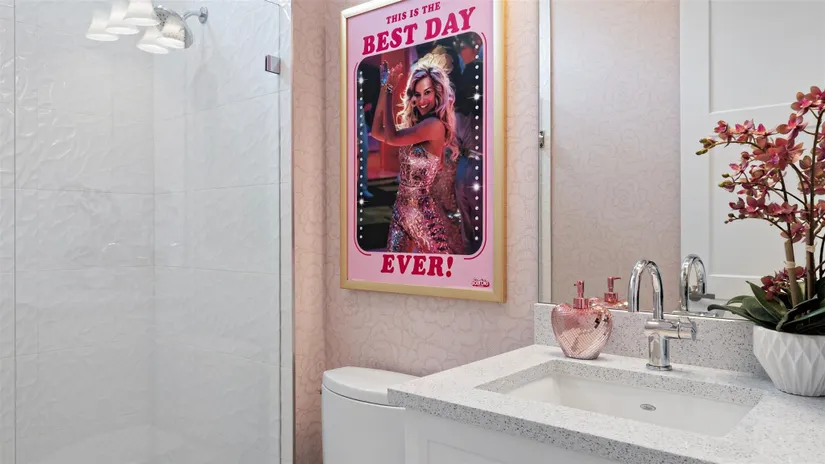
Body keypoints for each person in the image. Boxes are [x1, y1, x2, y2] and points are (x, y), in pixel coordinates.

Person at [370, 53, 463, 254]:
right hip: (400, 212)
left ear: (438, 94)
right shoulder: (417, 127)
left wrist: (390, 90)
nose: (421, 101)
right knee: (395, 268)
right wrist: (383, 89)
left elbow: (392, 137)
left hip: (423, 216)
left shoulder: (434, 126)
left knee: (438, 270)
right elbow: (377, 132)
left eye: (427, 92)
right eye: (417, 94)